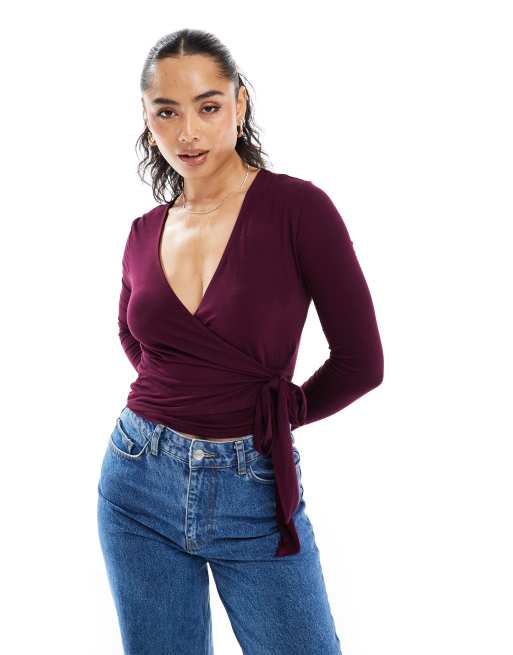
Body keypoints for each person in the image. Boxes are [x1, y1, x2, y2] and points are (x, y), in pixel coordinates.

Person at [97, 28, 384, 655]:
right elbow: (132, 336)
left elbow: (362, 362)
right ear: (146, 118)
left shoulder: (299, 209)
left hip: (251, 485)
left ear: (239, 103)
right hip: (137, 479)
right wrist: (185, 394)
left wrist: (277, 414)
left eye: (208, 106)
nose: (188, 133)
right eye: (166, 112)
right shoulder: (143, 231)